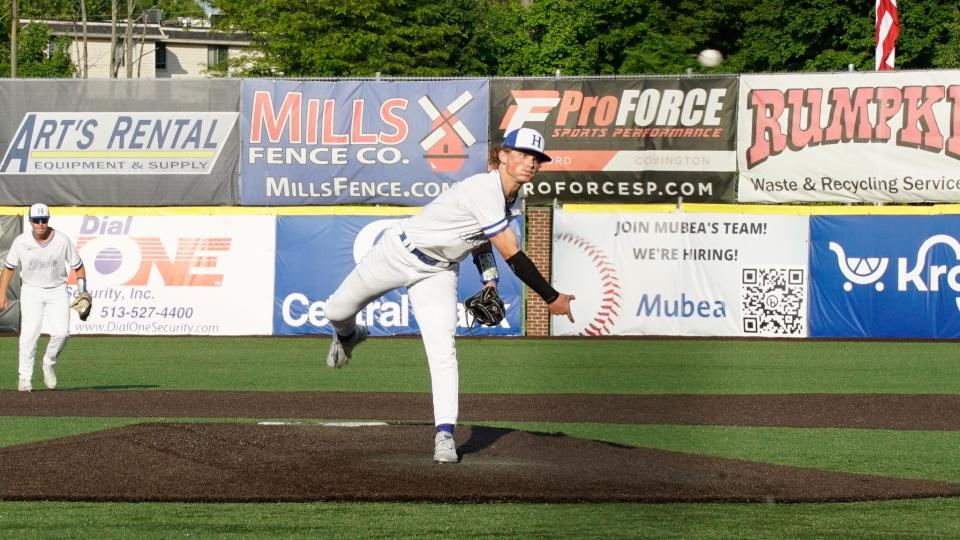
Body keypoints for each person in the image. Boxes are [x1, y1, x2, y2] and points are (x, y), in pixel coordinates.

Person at [324, 128, 576, 463]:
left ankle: (445, 433)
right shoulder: (484, 188)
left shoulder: (512, 199)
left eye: (537, 158)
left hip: (439, 272)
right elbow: (513, 253)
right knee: (335, 310)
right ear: (502, 155)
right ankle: (348, 335)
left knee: (443, 351)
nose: (530, 162)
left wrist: (489, 279)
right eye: (522, 153)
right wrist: (551, 297)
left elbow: (480, 238)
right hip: (398, 254)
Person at [0, 203, 88, 392]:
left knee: (62, 333)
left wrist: (83, 291)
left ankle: (48, 362)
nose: (40, 224)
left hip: (57, 290)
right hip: (31, 290)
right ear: (30, 221)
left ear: (48, 220)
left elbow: (78, 267)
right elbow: (8, 268)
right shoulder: (21, 242)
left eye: (44, 220)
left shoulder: (62, 241)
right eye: (36, 220)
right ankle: (24, 378)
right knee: (30, 334)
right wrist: (1, 294)